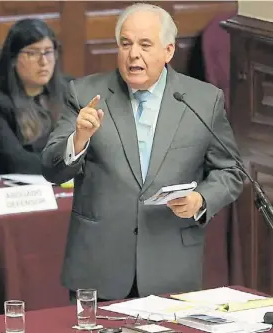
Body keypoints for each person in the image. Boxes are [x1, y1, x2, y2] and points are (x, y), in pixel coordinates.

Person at [41, 3, 244, 301]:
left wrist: (202, 199)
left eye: (145, 45)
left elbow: (231, 170)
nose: (133, 54)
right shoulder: (85, 95)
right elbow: (52, 169)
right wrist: (79, 137)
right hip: (99, 268)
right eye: (125, 44)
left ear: (169, 51)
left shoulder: (203, 100)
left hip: (171, 267)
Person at [0, 18, 67, 177]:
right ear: (13, 59)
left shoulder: (70, 91)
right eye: (32, 53)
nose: (43, 62)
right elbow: (16, 162)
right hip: (8, 195)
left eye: (48, 52)